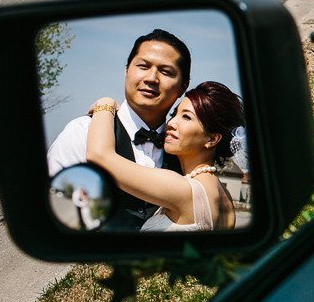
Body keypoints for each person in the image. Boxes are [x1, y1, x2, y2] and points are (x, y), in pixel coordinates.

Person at [47, 29, 191, 230]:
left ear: (183, 86)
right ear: (126, 71)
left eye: (166, 72)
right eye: (143, 66)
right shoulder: (82, 132)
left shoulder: (187, 151)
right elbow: (55, 215)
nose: (151, 78)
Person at [86, 81, 244, 231]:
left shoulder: (184, 189)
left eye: (186, 117)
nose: (171, 123)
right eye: (174, 114)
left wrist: (105, 104)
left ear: (212, 139)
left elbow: (99, 155)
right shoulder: (224, 195)